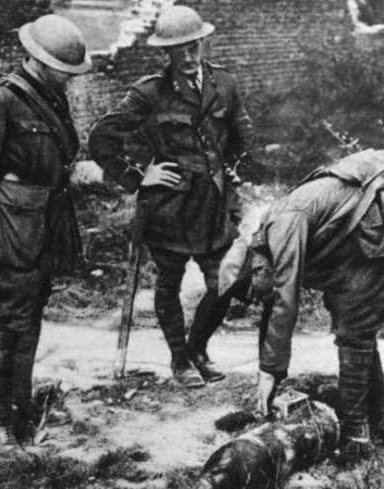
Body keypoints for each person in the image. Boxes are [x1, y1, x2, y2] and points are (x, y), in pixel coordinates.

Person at [220, 149, 384, 463]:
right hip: (374, 230)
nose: (257, 302)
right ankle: (375, 412)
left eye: (254, 293)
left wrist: (270, 373)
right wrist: (269, 373)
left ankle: (355, 433)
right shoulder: (269, 239)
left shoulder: (283, 225)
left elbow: (284, 299)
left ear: (256, 268)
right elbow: (274, 306)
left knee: (354, 326)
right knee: (350, 316)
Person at [88, 6, 254, 388]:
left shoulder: (224, 84)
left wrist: (234, 171)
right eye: (179, 50)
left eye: (194, 46)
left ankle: (197, 348)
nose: (189, 56)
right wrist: (138, 177)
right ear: (167, 52)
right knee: (169, 286)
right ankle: (179, 360)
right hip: (169, 207)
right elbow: (102, 138)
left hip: (212, 206)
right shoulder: (150, 92)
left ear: (203, 43)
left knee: (224, 282)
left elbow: (242, 138)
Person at [0, 14, 92, 458]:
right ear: (38, 61)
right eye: (63, 71)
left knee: (31, 319)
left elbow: (63, 153)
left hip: (45, 225)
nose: (69, 81)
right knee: (10, 322)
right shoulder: (0, 101)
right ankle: (0, 422)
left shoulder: (52, 99)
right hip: (10, 228)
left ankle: (23, 407)